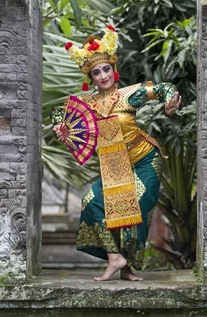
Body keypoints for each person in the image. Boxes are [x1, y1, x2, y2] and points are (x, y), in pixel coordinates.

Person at [51, 26, 181, 281]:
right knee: (91, 202)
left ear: (113, 68)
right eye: (96, 72)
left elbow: (163, 88)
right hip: (114, 167)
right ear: (90, 76)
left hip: (144, 160)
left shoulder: (129, 95)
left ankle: (127, 268)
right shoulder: (86, 104)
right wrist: (60, 129)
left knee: (135, 210)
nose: (102, 75)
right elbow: (60, 117)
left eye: (105, 69)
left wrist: (170, 101)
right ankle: (115, 257)